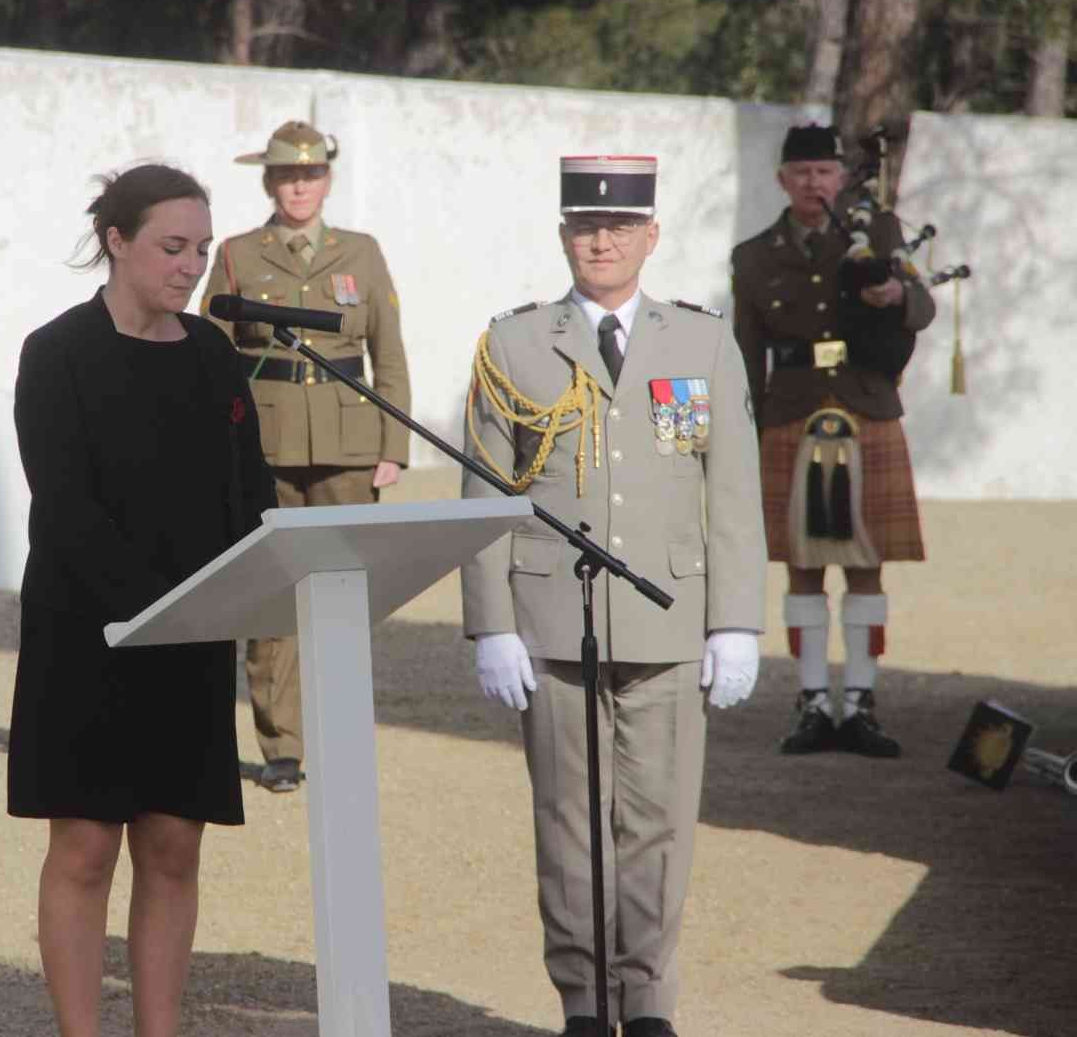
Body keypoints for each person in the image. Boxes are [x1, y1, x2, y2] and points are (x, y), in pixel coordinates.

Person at [460, 155, 766, 1037]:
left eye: (622, 227)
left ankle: (651, 1001)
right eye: (586, 225)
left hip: (669, 616)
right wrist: (491, 625)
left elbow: (733, 490)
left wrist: (736, 620)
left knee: (660, 822)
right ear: (563, 235)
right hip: (552, 617)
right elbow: (484, 491)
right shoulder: (513, 343)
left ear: (651, 236)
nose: (603, 239)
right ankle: (586, 1001)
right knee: (567, 822)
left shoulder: (701, 341)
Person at [9, 163, 275, 1037]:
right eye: (172, 246)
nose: (191, 265)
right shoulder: (57, 354)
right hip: (89, 632)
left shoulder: (213, 356)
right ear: (116, 242)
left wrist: (241, 588)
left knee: (173, 846)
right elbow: (66, 503)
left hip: (193, 633)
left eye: (200, 248)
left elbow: (250, 495)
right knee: (84, 849)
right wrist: (154, 609)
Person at [201, 119, 410, 792]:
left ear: (327, 179)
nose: (299, 185)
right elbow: (210, 356)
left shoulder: (363, 251)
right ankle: (282, 745)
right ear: (269, 180)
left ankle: (340, 732)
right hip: (264, 441)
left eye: (311, 173)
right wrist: (219, 444)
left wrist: (394, 443)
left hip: (349, 443)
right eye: (288, 174)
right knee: (274, 595)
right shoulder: (237, 254)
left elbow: (390, 351)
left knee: (343, 590)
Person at [731, 124, 934, 758]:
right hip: (791, 411)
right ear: (782, 181)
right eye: (802, 173)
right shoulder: (754, 255)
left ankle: (862, 703)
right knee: (804, 566)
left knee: (867, 563)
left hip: (866, 408)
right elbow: (746, 349)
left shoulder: (879, 234)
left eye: (824, 172)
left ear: (841, 178)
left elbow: (924, 309)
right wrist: (746, 430)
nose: (814, 183)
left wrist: (898, 291)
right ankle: (814, 700)